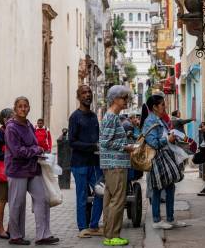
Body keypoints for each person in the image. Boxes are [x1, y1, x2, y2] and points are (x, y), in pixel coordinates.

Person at [5, 96, 59, 245]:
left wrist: (38, 151)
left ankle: (43, 235)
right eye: (20, 106)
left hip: (32, 168)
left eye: (26, 106)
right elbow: (17, 151)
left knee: (42, 199)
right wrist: (36, 149)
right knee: (17, 204)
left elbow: (33, 144)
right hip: (17, 170)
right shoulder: (11, 127)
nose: (23, 109)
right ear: (15, 109)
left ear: (29, 108)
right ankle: (16, 236)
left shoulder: (29, 124)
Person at [141, 95, 187, 230]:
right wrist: (168, 139)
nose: (164, 107)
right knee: (157, 188)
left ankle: (170, 218)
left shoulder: (159, 119)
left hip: (165, 156)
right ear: (154, 107)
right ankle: (156, 220)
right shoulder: (150, 121)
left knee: (169, 187)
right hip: (157, 158)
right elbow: (153, 143)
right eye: (162, 105)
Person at [100, 85, 135, 246]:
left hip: (113, 164)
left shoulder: (112, 117)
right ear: (115, 99)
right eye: (124, 98)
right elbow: (105, 142)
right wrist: (126, 147)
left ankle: (109, 234)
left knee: (110, 200)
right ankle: (113, 235)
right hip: (115, 165)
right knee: (117, 201)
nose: (126, 101)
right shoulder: (112, 117)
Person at [68, 85, 104, 238]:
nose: (87, 95)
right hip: (80, 164)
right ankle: (82, 227)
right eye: (84, 93)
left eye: (89, 92)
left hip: (95, 163)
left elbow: (97, 138)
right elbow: (72, 142)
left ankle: (94, 225)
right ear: (78, 97)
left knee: (101, 193)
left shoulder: (94, 116)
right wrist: (92, 146)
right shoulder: (75, 117)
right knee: (82, 196)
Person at [0, 108, 14, 240]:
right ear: (4, 120)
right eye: (10, 118)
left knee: (14, 201)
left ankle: (11, 228)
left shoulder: (15, 131)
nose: (13, 120)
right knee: (2, 200)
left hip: (14, 172)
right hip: (3, 174)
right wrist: (10, 154)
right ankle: (0, 229)